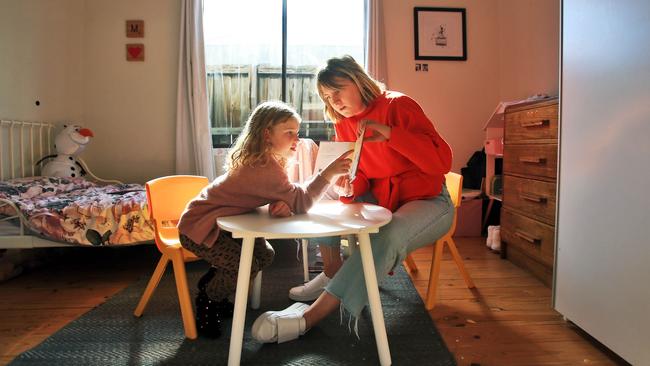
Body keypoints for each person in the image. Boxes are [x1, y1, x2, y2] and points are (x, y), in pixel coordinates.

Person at [251, 55, 455, 343]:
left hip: (429, 199)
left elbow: (441, 161)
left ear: (358, 80)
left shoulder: (398, 105)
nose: (333, 101)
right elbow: (361, 176)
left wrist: (389, 134)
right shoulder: (344, 123)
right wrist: (350, 184)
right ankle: (333, 270)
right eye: (326, 96)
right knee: (324, 194)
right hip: (385, 199)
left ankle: (309, 317)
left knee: (389, 232)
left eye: (337, 90)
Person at [177, 101, 351, 338]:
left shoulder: (266, 160)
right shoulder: (263, 167)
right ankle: (208, 299)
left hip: (219, 221)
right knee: (242, 267)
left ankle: (216, 282)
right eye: (289, 133)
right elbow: (301, 202)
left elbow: (280, 195)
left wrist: (280, 202)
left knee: (264, 255)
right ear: (267, 134)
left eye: (297, 133)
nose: (296, 139)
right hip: (198, 226)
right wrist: (328, 173)